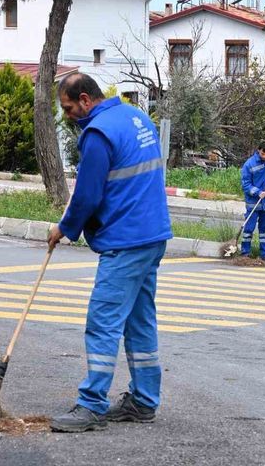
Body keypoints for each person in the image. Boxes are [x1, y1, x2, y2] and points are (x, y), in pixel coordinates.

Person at [47, 73, 172, 432]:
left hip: (126, 240)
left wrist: (64, 229)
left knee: (103, 321)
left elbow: (87, 195)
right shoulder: (136, 117)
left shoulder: (98, 133)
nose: (68, 116)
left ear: (85, 100)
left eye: (69, 108)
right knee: (138, 320)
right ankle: (144, 401)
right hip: (152, 235)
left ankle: (92, 405)